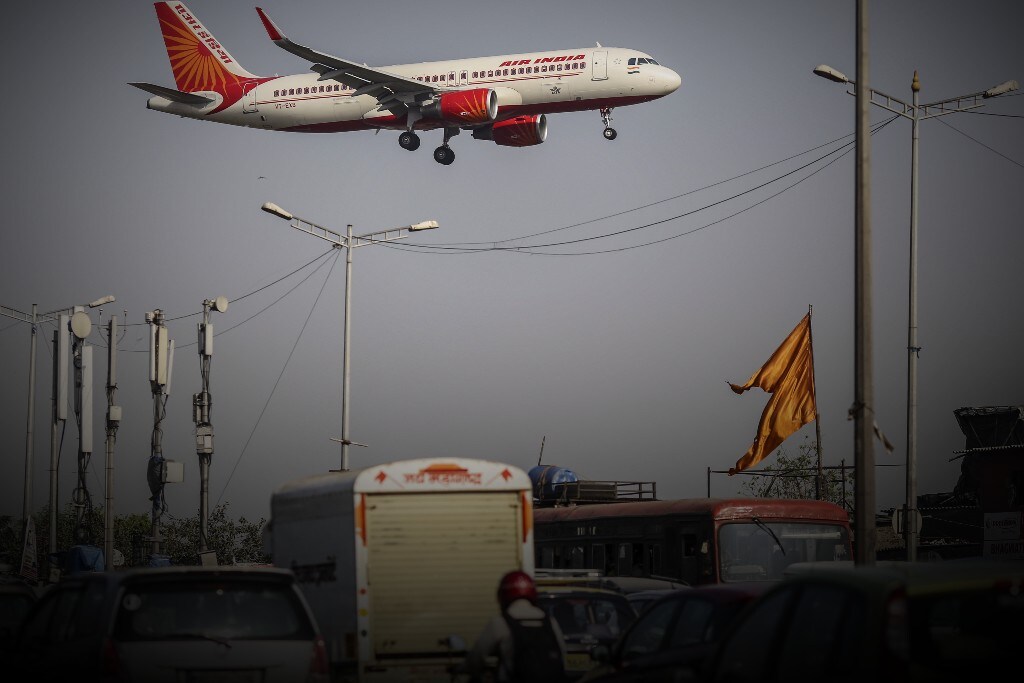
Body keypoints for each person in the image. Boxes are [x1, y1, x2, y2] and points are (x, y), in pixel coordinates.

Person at [463, 570, 567, 683]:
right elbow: (562, 651)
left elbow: (476, 657)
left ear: (502, 595)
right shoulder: (549, 621)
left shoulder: (501, 622)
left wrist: (463, 669)